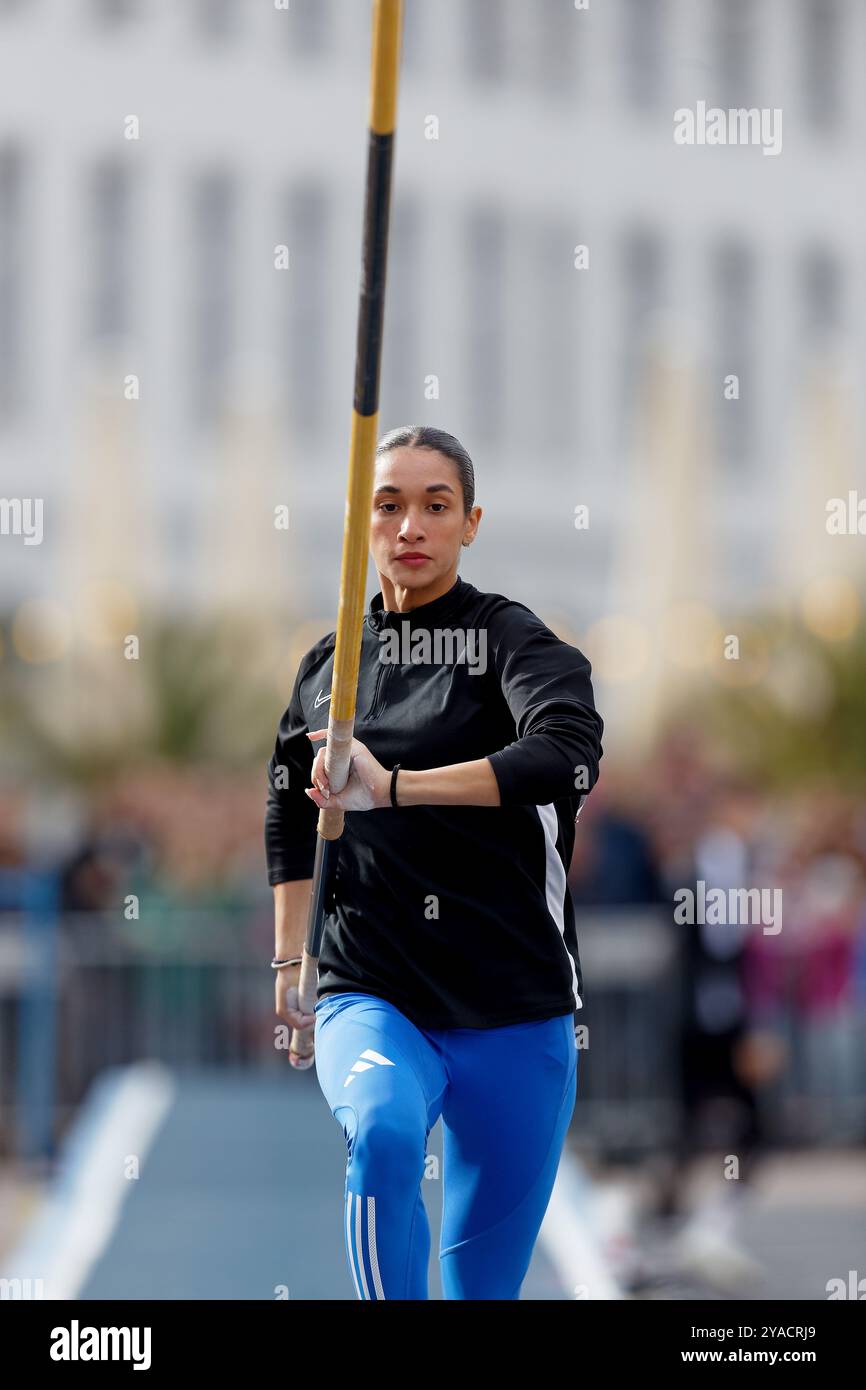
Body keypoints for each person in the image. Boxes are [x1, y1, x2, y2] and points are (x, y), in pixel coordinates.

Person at [264, 425, 604, 1300]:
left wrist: (398, 788)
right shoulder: (327, 668)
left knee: (477, 1292)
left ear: (470, 523)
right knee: (380, 1133)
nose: (410, 524)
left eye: (435, 505)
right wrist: (289, 956)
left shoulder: (509, 641)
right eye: (389, 505)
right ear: (360, 524)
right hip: (372, 989)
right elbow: (283, 805)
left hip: (515, 1007)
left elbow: (568, 753)